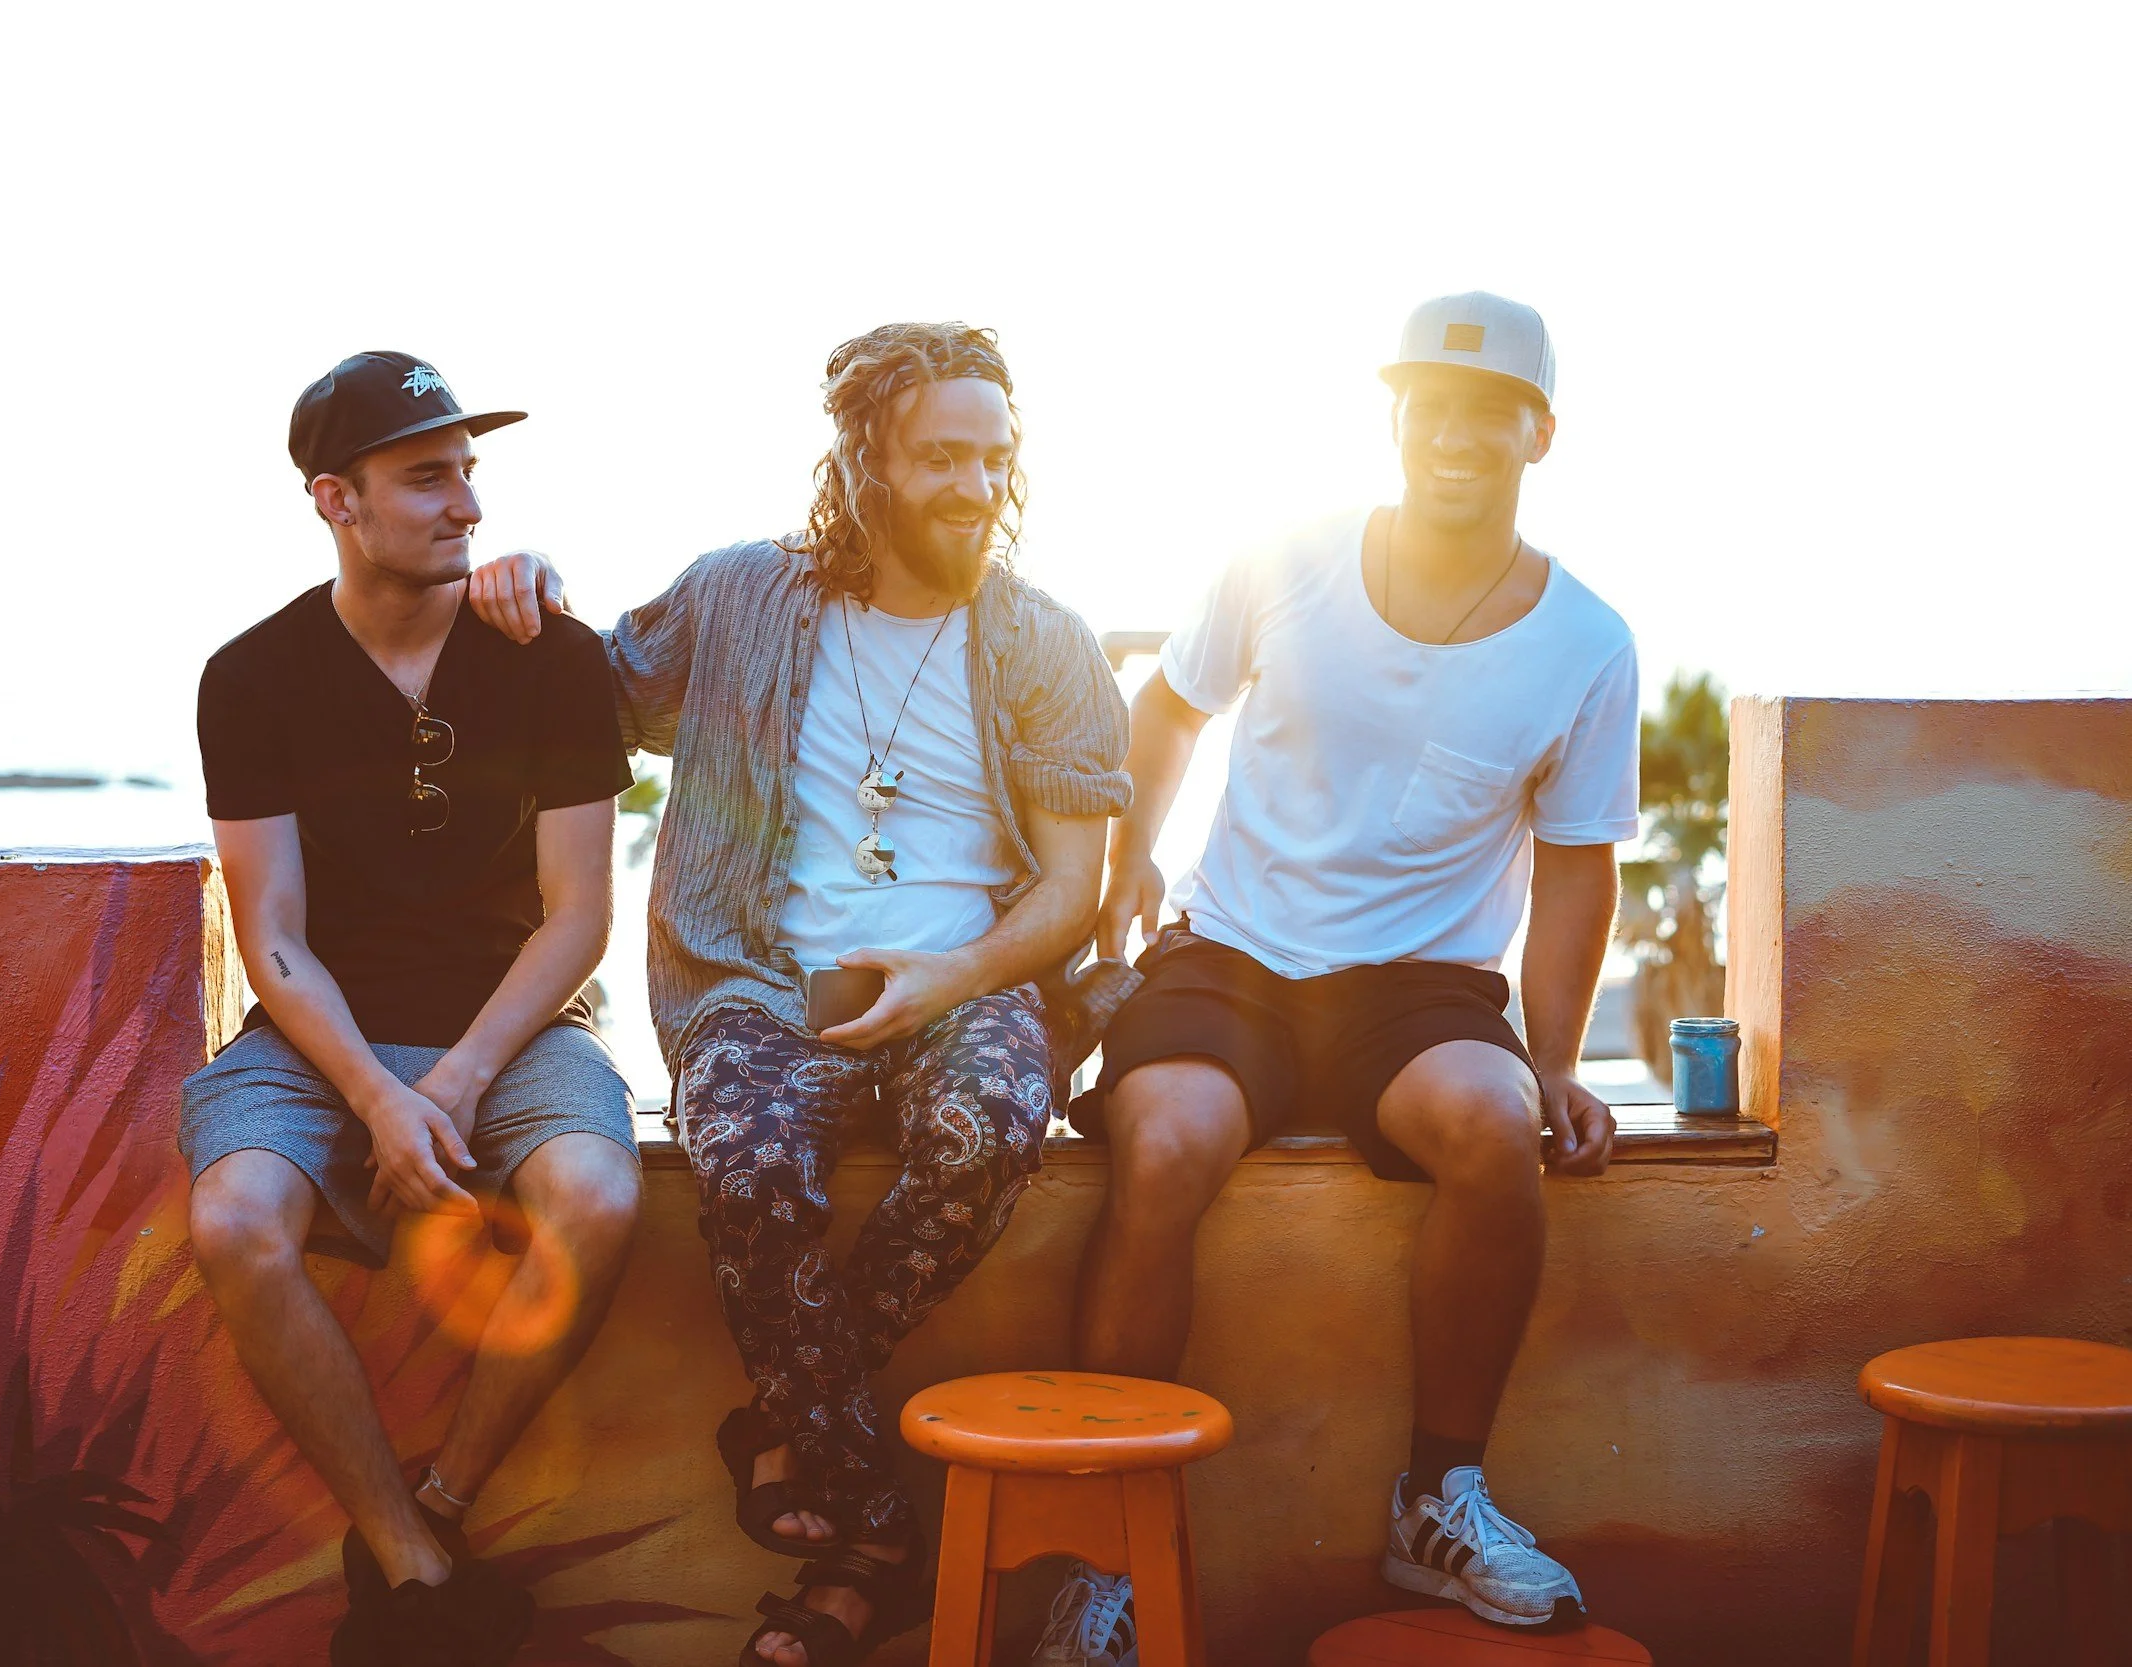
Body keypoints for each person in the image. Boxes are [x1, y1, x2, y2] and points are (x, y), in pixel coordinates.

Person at [469, 322, 1130, 1667]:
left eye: (993, 457)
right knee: (754, 1178)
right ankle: (874, 1525)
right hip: (754, 982)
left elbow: (1071, 891)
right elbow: (585, 691)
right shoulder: (738, 599)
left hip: (969, 977)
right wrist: (525, 586)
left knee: (992, 1126)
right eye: (941, 454)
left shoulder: (1047, 644)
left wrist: (952, 971)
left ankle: (797, 1433)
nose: (974, 485)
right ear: (864, 457)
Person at [1035, 294, 1638, 1661]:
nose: (1456, 431)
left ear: (1539, 433)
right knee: (1168, 1134)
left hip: (1418, 982)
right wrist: (1132, 863)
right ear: (1395, 416)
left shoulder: (1588, 640)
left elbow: (1578, 865)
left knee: (1496, 1129)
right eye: (1431, 402)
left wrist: (1552, 1058)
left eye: (1490, 410)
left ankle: (1439, 1499)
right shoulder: (1286, 557)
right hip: (1235, 948)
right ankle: (1104, 1547)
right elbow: (1169, 708)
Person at [180, 352, 644, 1667]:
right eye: (426, 477)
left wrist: (451, 1080)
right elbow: (270, 935)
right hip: (318, 1033)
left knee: (601, 1199)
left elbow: (578, 916)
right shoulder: (252, 676)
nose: (468, 507)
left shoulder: (548, 659)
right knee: (234, 1219)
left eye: (471, 473)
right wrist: (379, 1093)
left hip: (516, 1023)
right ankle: (409, 1555)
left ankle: (438, 1503)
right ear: (336, 497)